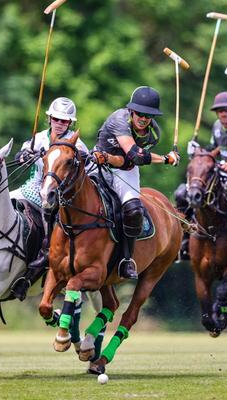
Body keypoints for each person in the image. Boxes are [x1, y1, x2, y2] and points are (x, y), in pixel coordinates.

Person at [92, 86, 180, 279]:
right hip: (98, 163)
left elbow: (130, 161)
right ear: (131, 111)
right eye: (139, 113)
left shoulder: (153, 134)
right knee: (66, 192)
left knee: (133, 211)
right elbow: (136, 154)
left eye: (148, 115)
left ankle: (126, 259)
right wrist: (167, 159)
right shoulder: (119, 119)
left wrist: (117, 160)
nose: (143, 118)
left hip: (125, 170)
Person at [10, 97, 90, 300]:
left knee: (50, 231)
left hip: (59, 198)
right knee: (1, 203)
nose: (60, 123)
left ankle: (30, 275)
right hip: (31, 189)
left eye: (65, 121)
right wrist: (23, 155)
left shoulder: (76, 143)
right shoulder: (38, 138)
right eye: (56, 119)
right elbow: (20, 155)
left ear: (70, 123)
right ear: (49, 118)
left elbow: (85, 165)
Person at [175, 91, 227, 262]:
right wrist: (198, 151)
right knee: (184, 194)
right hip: (219, 170)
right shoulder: (217, 127)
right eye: (220, 111)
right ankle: (184, 240)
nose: (223, 114)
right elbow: (214, 148)